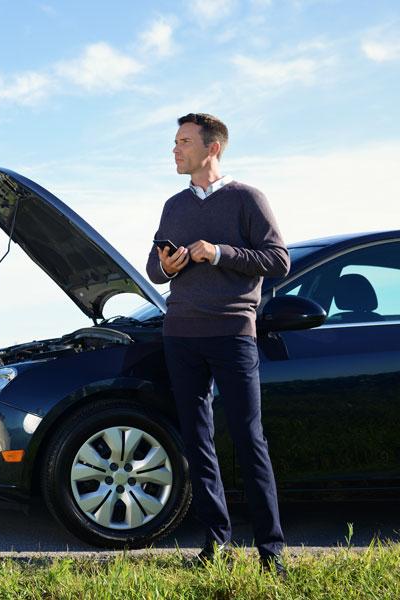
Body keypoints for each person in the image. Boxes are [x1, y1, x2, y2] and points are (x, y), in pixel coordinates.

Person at [145, 113, 290, 575]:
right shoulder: (173, 205)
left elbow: (278, 260)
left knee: (250, 439)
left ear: (213, 149)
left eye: (184, 141)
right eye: (174, 141)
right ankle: (216, 543)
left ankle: (272, 552)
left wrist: (218, 252)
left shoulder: (248, 199)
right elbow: (153, 269)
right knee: (197, 439)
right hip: (180, 334)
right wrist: (171, 265)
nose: (175, 149)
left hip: (232, 333)